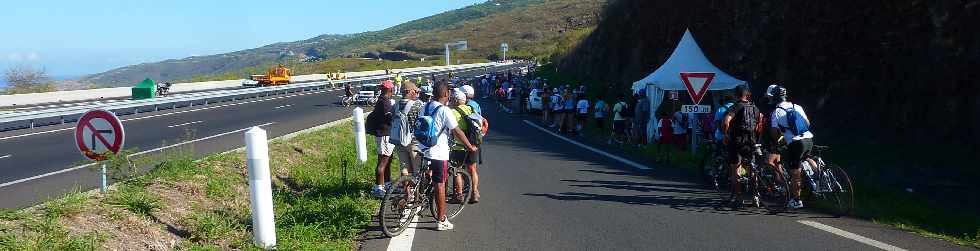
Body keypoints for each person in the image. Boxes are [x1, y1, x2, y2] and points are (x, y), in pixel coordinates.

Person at [422, 83, 478, 231]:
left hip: (423, 148)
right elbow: (457, 131)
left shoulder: (425, 107)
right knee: (440, 184)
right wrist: (469, 146)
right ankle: (441, 220)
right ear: (446, 94)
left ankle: (418, 197)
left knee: (429, 175)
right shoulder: (445, 110)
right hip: (438, 151)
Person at [767, 85, 814, 209]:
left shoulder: (776, 112)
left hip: (795, 143)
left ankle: (796, 200)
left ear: (774, 98)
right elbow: (807, 123)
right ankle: (819, 178)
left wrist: (778, 140)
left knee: (795, 173)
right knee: (806, 157)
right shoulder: (796, 106)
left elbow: (774, 133)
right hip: (808, 138)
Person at [721, 85, 764, 208]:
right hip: (751, 141)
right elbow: (759, 124)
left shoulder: (736, 106)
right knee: (751, 169)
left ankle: (739, 197)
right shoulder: (755, 107)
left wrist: (725, 135)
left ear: (736, 95)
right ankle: (756, 196)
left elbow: (726, 121)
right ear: (747, 94)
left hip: (737, 141)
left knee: (736, 169)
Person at [448, 89, 483, 204]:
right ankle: (475, 192)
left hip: (458, 146)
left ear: (456, 100)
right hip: (473, 144)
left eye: (452, 99)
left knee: (457, 170)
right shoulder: (471, 109)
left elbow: (451, 130)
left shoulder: (452, 112)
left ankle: (459, 195)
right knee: (472, 169)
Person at [369, 82, 396, 198]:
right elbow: (389, 118)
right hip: (384, 134)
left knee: (388, 160)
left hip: (384, 133)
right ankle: (378, 188)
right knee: (383, 162)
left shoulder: (382, 100)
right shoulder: (385, 102)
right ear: (390, 90)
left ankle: (387, 183)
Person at [393, 81, 423, 177]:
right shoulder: (417, 105)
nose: (417, 95)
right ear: (410, 92)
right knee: (417, 167)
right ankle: (417, 190)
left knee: (404, 166)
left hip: (399, 139)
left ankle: (407, 191)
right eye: (416, 92)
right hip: (413, 140)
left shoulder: (396, 106)